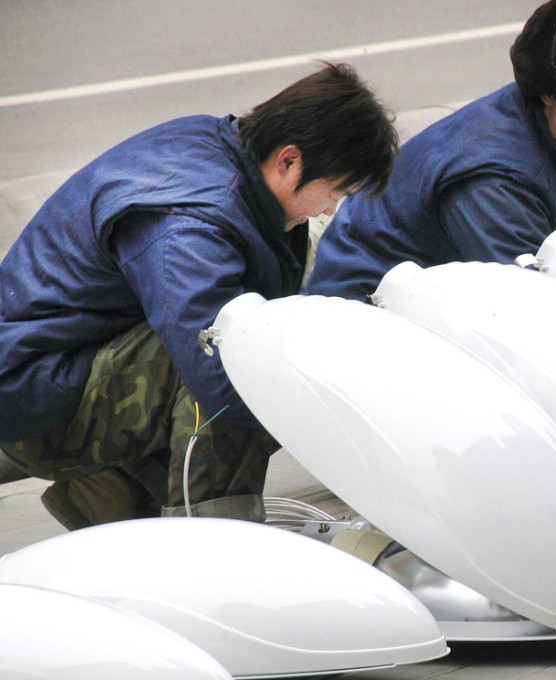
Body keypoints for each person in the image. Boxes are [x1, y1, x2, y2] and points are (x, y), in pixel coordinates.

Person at [0, 62, 398, 530]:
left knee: (244, 348)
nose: (332, 208)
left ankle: (116, 502)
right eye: (336, 191)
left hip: (61, 367)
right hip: (34, 398)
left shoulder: (218, 146)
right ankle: (216, 552)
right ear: (289, 161)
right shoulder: (191, 224)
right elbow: (217, 377)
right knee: (242, 363)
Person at [305, 0, 556, 302]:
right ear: (550, 92)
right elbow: (532, 302)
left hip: (450, 305)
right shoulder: (494, 178)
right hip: (363, 318)